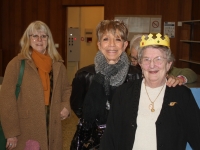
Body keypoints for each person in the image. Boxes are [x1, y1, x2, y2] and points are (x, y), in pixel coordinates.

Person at [70, 20, 182, 150]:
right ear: (99, 45)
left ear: (125, 45)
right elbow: (78, 108)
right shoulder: (84, 75)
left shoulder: (137, 75)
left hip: (127, 138)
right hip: (91, 140)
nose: (112, 44)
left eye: (117, 39)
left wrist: (176, 79)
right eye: (106, 39)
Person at [100, 33, 200, 150]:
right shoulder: (124, 93)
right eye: (146, 59)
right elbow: (110, 139)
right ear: (140, 64)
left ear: (169, 64)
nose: (152, 65)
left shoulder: (182, 95)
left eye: (158, 59)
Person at [0, 21, 71, 150]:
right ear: (28, 39)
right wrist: (11, 132)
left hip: (52, 124)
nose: (39, 39)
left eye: (44, 36)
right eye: (35, 36)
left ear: (48, 40)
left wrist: (66, 106)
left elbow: (66, 89)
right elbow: (6, 100)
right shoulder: (16, 64)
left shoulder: (58, 64)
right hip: (25, 128)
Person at [129, 34, 198, 84]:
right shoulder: (127, 69)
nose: (137, 63)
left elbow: (191, 73)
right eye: (134, 58)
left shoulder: (163, 68)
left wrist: (179, 79)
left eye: (146, 59)